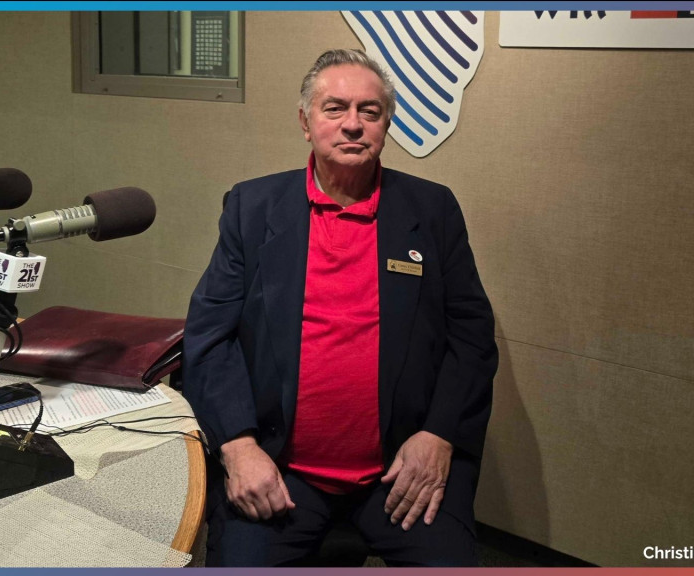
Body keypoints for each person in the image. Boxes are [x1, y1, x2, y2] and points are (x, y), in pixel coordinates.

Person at [183, 49, 497, 567]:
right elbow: (209, 336)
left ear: (386, 124)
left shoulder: (432, 209)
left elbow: (472, 335)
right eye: (335, 108)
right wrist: (238, 448)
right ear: (306, 122)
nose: (353, 124)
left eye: (369, 111)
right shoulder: (252, 207)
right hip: (278, 467)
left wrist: (439, 434)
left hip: (403, 468)